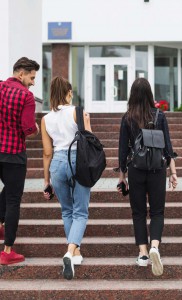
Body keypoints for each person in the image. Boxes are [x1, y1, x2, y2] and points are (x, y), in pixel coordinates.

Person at [116, 78, 178, 276]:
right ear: (150, 94)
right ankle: (155, 247)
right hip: (157, 169)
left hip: (136, 169)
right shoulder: (159, 115)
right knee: (158, 211)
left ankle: (143, 253)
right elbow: (168, 148)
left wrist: (121, 176)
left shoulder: (127, 118)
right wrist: (173, 172)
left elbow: (122, 150)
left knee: (138, 212)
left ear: (132, 95)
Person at [41, 76, 92, 280]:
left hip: (57, 163)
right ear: (68, 93)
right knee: (80, 212)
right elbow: (91, 141)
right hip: (78, 161)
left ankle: (76, 253)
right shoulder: (78, 112)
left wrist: (46, 181)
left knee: (67, 211)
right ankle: (70, 252)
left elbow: (46, 152)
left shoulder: (45, 119)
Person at [0, 57, 40, 265]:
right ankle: (7, 251)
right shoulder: (26, 96)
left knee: (8, 189)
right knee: (14, 199)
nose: (33, 82)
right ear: (21, 73)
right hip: (14, 153)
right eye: (31, 77)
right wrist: (36, 129)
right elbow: (27, 127)